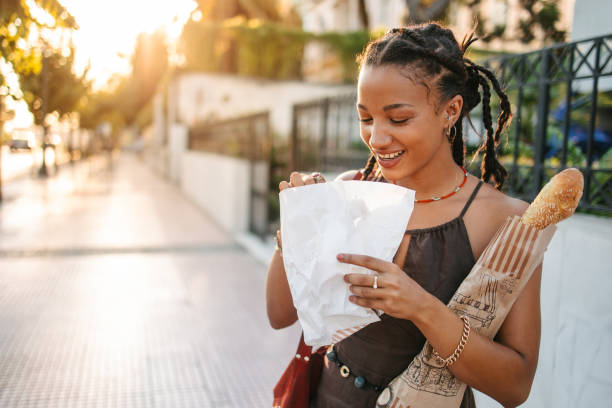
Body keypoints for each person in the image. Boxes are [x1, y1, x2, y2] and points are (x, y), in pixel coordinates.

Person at [266, 23, 542, 408]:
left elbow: (515, 387)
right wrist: (297, 226)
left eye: (397, 119)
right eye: (366, 118)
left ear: (451, 110)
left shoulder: (504, 222)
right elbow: (279, 315)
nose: (377, 138)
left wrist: (421, 307)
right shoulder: (350, 189)